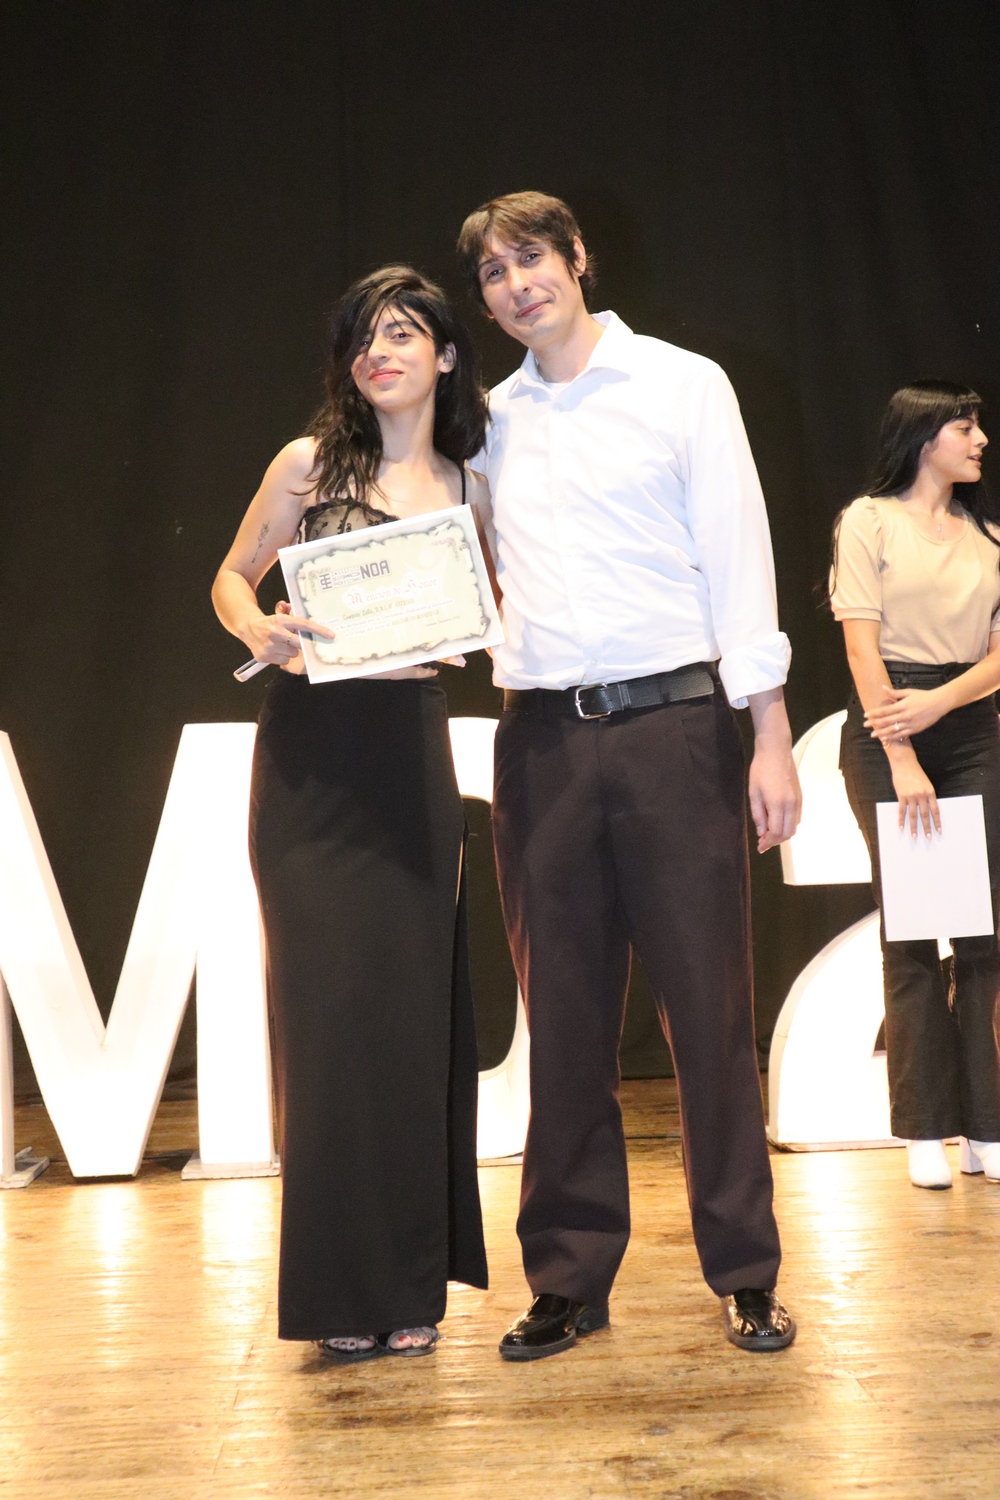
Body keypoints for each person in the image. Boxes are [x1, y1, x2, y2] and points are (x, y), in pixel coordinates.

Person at [456, 191, 801, 1360]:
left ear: (577, 258)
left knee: (708, 1012)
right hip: (539, 740)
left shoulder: (682, 385)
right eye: (494, 272)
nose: (518, 285)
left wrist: (767, 735)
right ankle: (567, 1276)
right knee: (560, 1017)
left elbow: (740, 560)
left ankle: (744, 1270)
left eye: (532, 259)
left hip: (675, 729)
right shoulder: (485, 424)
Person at [212, 266, 490, 1361]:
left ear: (445, 356)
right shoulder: (306, 465)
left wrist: (478, 629)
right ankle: (339, 1294)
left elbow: (504, 609)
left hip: (409, 756)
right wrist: (259, 630)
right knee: (327, 1026)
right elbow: (232, 579)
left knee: (409, 1025)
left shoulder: (473, 486)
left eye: (405, 332)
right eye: (366, 336)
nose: (382, 351)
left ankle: (408, 1285)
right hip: (312, 767)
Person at [831, 380, 1000, 1190]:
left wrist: (944, 702)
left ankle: (987, 1125)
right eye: (965, 427)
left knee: (983, 936)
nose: (980, 440)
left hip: (969, 728)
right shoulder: (868, 521)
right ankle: (925, 1129)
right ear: (925, 437)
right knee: (913, 936)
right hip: (887, 726)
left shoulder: (989, 534)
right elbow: (861, 648)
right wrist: (901, 754)